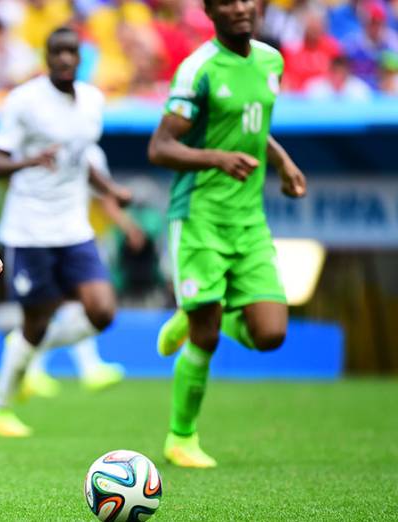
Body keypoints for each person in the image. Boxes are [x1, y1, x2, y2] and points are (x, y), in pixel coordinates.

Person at [147, 0, 307, 468]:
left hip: (249, 218)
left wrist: (283, 162)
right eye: (227, 2)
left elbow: (253, 126)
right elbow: (160, 147)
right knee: (207, 337)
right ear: (211, 12)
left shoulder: (271, 60)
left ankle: (199, 312)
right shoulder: (197, 69)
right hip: (199, 215)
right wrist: (217, 159)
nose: (240, 7)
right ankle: (181, 437)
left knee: (271, 334)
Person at [0, 26, 133, 438]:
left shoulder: (92, 102)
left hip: (73, 227)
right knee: (35, 321)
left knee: (101, 311)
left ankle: (30, 356)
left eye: (71, 52)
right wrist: (29, 163)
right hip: (30, 229)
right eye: (57, 52)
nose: (65, 58)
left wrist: (111, 190)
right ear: (47, 57)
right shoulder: (25, 101)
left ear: (80, 57)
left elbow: (81, 160)